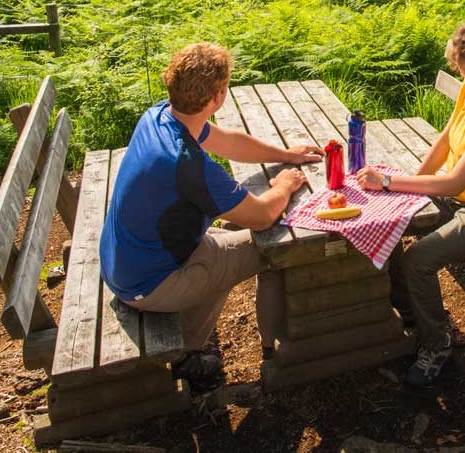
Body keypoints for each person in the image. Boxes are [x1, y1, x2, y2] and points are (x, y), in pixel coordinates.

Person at [98, 43, 320, 392]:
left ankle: (190, 346)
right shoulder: (187, 164)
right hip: (147, 283)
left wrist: (285, 155)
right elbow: (262, 216)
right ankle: (276, 352)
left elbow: (228, 142)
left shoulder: (159, 116)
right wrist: (284, 185)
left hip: (125, 261)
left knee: (224, 244)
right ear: (217, 97)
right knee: (274, 248)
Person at [356, 18, 465, 388]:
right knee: (396, 223)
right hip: (462, 198)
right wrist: (409, 187)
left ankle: (437, 344)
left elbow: (453, 181)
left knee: (419, 259)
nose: (453, 63)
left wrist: (387, 181)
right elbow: (447, 140)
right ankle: (415, 312)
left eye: (456, 56)